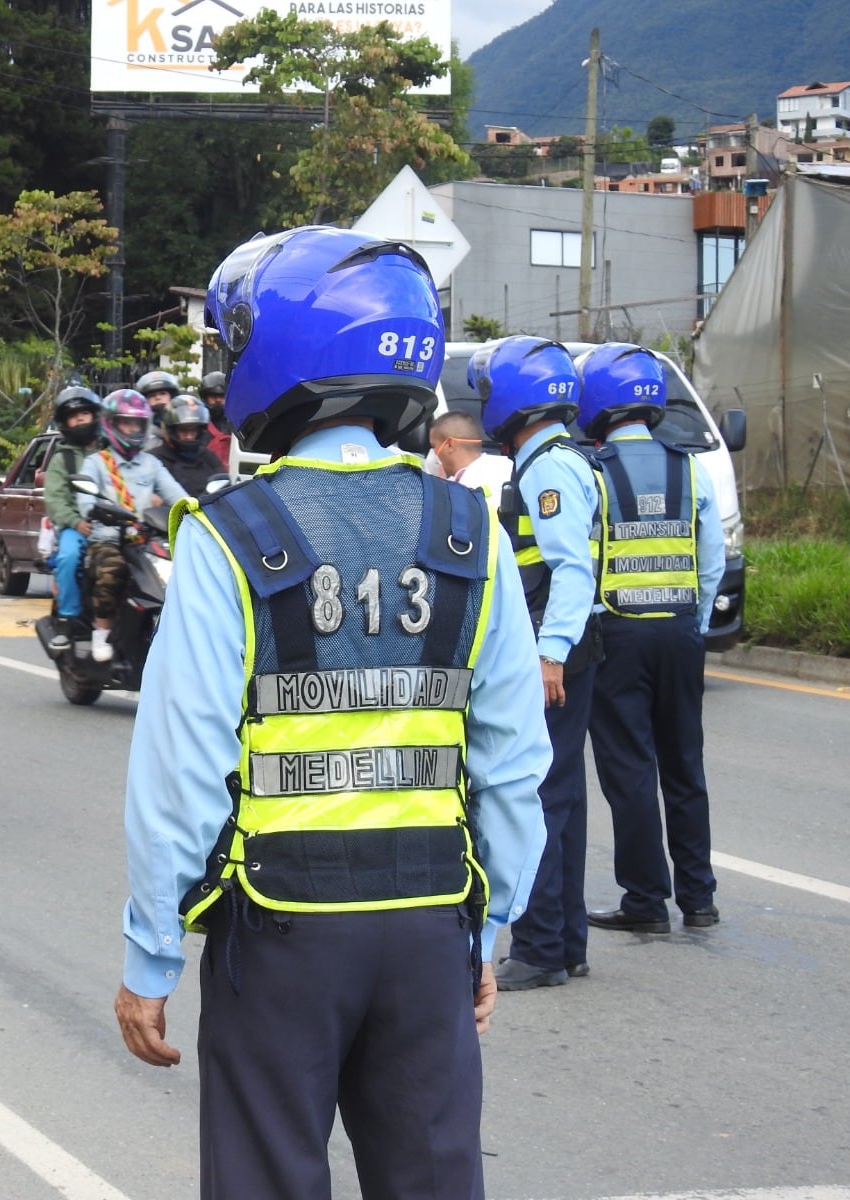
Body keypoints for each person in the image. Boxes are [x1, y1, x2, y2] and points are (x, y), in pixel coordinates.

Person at [114, 226, 550, 1200]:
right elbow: (515, 764)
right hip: (431, 924)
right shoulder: (467, 530)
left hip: (280, 933)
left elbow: (178, 777)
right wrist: (490, 934)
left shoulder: (232, 536)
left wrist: (150, 954)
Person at [472, 337, 605, 991]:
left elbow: (571, 571)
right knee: (564, 799)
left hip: (554, 651)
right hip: (565, 648)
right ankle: (565, 942)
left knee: (539, 796)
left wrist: (550, 655)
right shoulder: (551, 459)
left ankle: (542, 947)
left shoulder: (548, 467)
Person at [579, 343, 725, 935]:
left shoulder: (592, 472)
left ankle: (645, 901)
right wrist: (697, 622)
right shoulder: (692, 468)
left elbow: (582, 562)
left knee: (631, 769)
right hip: (681, 632)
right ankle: (700, 898)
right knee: (684, 765)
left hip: (619, 635)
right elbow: (710, 560)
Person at [76, 388, 187, 663]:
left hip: (145, 540)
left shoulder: (151, 463)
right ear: (111, 424)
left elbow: (178, 496)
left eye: (137, 423)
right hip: (108, 540)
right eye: (126, 422)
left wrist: (199, 509)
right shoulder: (98, 463)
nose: (132, 428)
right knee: (112, 572)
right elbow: (85, 500)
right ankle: (101, 632)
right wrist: (97, 509)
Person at [43, 386, 106, 652]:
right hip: (76, 527)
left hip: (116, 524)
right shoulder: (62, 458)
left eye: (84, 414)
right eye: (73, 416)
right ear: (64, 423)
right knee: (68, 558)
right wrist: (75, 522)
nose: (80, 419)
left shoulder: (111, 450)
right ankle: (67, 620)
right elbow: (55, 499)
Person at [150, 394, 227, 498]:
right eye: (183, 430)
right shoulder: (154, 460)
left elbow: (224, 486)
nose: (189, 436)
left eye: (193, 430)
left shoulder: (208, 456)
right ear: (171, 430)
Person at [428, 410, 512, 497]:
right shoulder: (507, 466)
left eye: (434, 446)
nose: (433, 453)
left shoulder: (467, 488)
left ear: (449, 445)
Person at [134, 370, 180, 449]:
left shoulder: (180, 417)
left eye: (163, 393)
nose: (158, 398)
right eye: (152, 395)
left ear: (171, 396)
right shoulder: (141, 425)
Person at [199, 370, 233, 467]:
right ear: (205, 397)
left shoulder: (237, 423)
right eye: (213, 396)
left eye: (222, 396)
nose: (218, 400)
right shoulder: (198, 424)